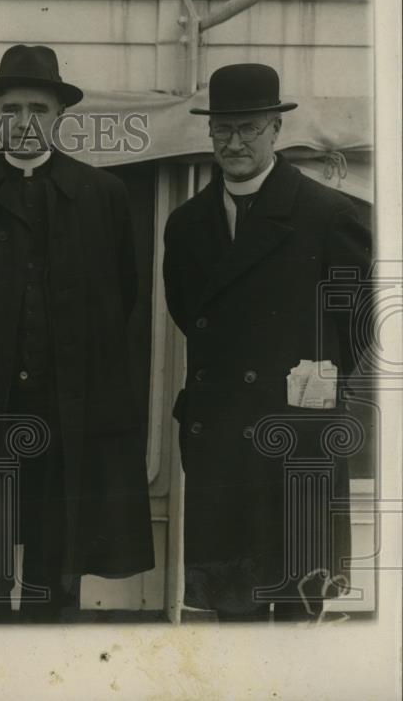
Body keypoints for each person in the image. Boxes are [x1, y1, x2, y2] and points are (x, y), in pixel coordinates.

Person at [0, 44, 154, 622]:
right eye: (10, 110)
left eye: (38, 110)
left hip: (66, 404)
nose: (24, 124)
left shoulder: (103, 195)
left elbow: (121, 296)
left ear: (60, 116)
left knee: (59, 545)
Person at [163, 63, 372, 622]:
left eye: (249, 129)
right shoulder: (185, 225)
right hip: (223, 441)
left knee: (298, 608)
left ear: (276, 131)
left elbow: (357, 329)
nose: (234, 143)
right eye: (223, 130)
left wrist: (309, 389)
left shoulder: (329, 215)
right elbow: (190, 314)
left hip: (297, 440)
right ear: (209, 133)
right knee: (233, 615)